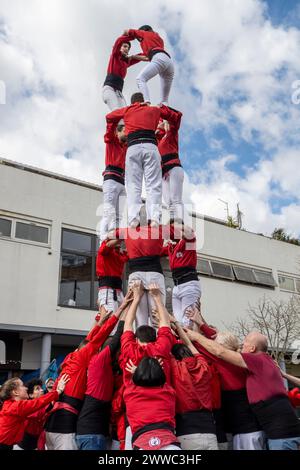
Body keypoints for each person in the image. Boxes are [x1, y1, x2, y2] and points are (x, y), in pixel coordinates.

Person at [185, 329, 300, 451]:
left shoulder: (256, 360)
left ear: (252, 349)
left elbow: (220, 351)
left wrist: (196, 336)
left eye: (245, 342)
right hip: (284, 431)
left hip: (280, 436)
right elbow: (224, 349)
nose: (241, 345)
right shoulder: (266, 362)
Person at [45, 308, 127, 450]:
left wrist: (99, 321)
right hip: (64, 430)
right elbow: (97, 339)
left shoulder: (71, 359)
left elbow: (88, 340)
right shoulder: (83, 359)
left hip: (52, 428)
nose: (95, 353)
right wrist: (121, 311)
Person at [106, 93, 179, 227]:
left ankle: (134, 219)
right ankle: (155, 219)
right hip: (150, 146)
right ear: (143, 100)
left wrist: (126, 114)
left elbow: (109, 117)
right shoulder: (153, 109)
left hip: (132, 148)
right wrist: (164, 119)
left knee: (133, 185)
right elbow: (176, 115)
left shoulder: (127, 110)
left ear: (132, 102)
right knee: (153, 184)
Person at [76, 291, 131, 450]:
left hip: (94, 433)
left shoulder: (100, 366)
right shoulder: (98, 361)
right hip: (91, 435)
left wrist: (100, 321)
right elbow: (116, 338)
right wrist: (126, 308)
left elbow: (92, 339)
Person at [169, 318, 218, 450]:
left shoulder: (176, 368)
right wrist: (178, 327)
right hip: (210, 432)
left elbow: (165, 350)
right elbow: (191, 346)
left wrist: (168, 325)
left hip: (186, 432)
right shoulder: (204, 366)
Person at [111, 225, 173, 327]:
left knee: (140, 320)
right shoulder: (159, 229)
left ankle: (141, 342)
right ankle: (161, 341)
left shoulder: (128, 231)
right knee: (158, 318)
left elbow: (112, 234)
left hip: (136, 274)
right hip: (154, 273)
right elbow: (180, 232)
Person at [123, 357, 180, 451]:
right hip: (169, 444)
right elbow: (165, 383)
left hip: (142, 444)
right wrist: (156, 370)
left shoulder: (129, 394)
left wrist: (139, 371)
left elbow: (132, 383)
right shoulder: (169, 393)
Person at [0, 374, 69, 450]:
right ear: (16, 392)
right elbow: (38, 404)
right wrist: (58, 391)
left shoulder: (12, 406)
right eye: (22, 386)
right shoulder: (16, 407)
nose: (26, 388)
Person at [162, 222, 201, 327]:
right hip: (177, 286)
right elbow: (157, 251)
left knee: (188, 321)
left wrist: (176, 226)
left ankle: (188, 343)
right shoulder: (171, 247)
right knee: (178, 322)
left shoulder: (188, 242)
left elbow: (190, 232)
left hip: (189, 285)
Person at [123, 26, 174, 105]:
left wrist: (121, 42)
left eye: (138, 38)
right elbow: (146, 58)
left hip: (159, 58)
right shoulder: (158, 38)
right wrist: (133, 56)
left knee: (140, 79)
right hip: (169, 62)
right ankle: (165, 108)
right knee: (164, 100)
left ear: (144, 30)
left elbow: (126, 31)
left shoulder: (144, 33)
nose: (139, 39)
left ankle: (147, 102)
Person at [103, 34, 148, 110]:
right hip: (109, 89)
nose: (126, 48)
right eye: (124, 46)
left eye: (128, 47)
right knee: (117, 111)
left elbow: (144, 55)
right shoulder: (115, 55)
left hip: (119, 93)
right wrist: (134, 35)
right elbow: (118, 41)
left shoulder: (127, 62)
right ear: (119, 47)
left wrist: (150, 47)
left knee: (126, 114)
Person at [99, 121, 127, 242]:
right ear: (118, 131)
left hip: (121, 180)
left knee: (118, 216)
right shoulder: (112, 141)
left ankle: (113, 238)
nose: (127, 132)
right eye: (125, 130)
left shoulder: (126, 146)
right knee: (108, 211)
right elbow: (110, 125)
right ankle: (102, 239)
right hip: (111, 179)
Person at [156, 108, 184, 221]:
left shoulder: (171, 133)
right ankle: (173, 223)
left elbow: (178, 116)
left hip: (174, 168)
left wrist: (165, 115)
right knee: (168, 201)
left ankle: (179, 222)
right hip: (164, 173)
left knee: (175, 199)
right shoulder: (156, 142)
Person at [96, 238, 128, 316]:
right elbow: (108, 245)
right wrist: (121, 236)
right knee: (109, 319)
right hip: (108, 289)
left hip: (118, 290)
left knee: (120, 319)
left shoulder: (120, 253)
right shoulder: (105, 248)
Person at [13, 379, 46, 450]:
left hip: (36, 445)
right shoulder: (26, 407)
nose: (42, 390)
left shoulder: (43, 405)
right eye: (37, 389)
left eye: (41, 388)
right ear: (31, 395)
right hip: (21, 446)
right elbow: (37, 414)